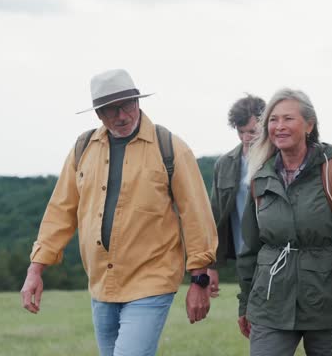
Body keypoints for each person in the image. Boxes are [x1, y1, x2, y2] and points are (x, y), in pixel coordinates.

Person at [20, 69, 218, 356]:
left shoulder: (170, 147)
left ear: (138, 101)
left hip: (152, 280)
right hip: (101, 284)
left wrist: (199, 279)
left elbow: (196, 216)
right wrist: (35, 270)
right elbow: (60, 212)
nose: (122, 116)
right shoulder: (83, 149)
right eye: (111, 110)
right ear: (98, 113)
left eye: (127, 105)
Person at [236, 88, 332, 356]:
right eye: (273, 120)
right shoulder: (260, 178)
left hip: (328, 304)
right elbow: (250, 248)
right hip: (270, 303)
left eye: (288, 118)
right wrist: (245, 303)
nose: (279, 126)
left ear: (309, 125)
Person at [208, 94, 266, 298]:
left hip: (277, 254)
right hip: (244, 256)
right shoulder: (224, 164)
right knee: (248, 310)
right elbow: (215, 215)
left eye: (252, 131)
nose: (245, 138)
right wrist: (211, 266)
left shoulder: (280, 159)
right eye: (241, 132)